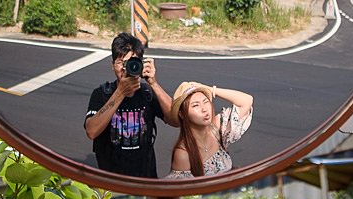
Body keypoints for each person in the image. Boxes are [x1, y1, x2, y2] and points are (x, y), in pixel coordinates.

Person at [84, 32, 176, 177]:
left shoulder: (147, 93)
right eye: (121, 62)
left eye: (132, 62)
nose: (126, 68)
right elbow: (91, 131)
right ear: (112, 65)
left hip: (146, 180)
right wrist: (120, 93)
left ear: (140, 63)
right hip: (111, 183)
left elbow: (175, 120)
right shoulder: (102, 94)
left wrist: (153, 83)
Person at [165, 81, 254, 178]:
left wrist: (211, 90)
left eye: (206, 101)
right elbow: (185, 191)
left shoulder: (216, 129)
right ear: (182, 114)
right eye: (195, 105)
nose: (204, 109)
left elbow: (247, 101)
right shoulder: (183, 154)